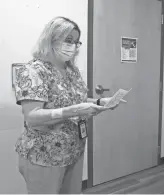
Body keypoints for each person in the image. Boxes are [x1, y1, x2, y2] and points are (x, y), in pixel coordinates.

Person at [14, 16, 124, 194]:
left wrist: (98, 102)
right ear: (51, 38)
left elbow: (76, 101)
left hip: (74, 150)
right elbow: (32, 116)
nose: (72, 46)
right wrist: (69, 111)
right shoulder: (33, 71)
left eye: (76, 42)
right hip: (45, 156)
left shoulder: (71, 70)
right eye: (68, 40)